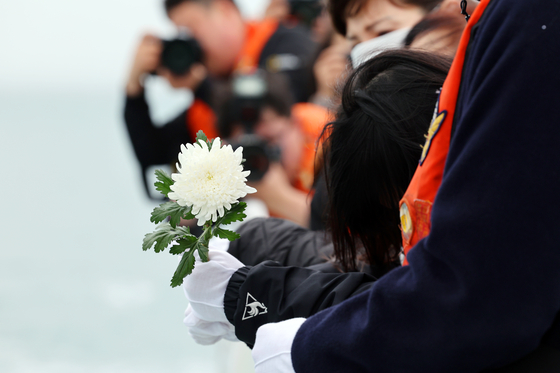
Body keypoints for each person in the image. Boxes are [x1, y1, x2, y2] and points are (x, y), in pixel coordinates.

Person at [246, 0, 560, 372]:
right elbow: (367, 266)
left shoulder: (528, 23)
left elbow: (471, 295)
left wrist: (304, 343)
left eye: (380, 31)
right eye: (355, 40)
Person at [182, 49, 452, 347]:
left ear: (295, 121)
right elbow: (357, 263)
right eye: (243, 147)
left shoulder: (346, 146)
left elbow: (381, 287)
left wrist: (249, 295)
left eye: (272, 138)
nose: (260, 151)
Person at [124, 0, 316, 197]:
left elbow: (277, 105)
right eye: (180, 35)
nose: (189, 42)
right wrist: (134, 89)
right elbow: (152, 152)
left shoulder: (286, 41)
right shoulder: (206, 97)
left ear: (224, 10)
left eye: (191, 30)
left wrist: (200, 86)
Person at [216, 71, 331, 227]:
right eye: (247, 148)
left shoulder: (330, 139)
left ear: (295, 124)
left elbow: (351, 235)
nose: (259, 157)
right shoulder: (228, 164)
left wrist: (279, 198)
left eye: (270, 140)